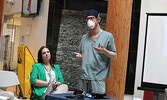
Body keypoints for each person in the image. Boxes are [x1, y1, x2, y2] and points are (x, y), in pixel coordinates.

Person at [74, 9, 117, 94]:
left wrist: (104, 50)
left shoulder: (108, 36)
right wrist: (80, 56)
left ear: (98, 20)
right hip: (83, 76)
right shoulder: (84, 37)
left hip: (98, 78)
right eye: (88, 19)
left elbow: (114, 56)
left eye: (92, 18)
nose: (90, 21)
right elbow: (81, 53)